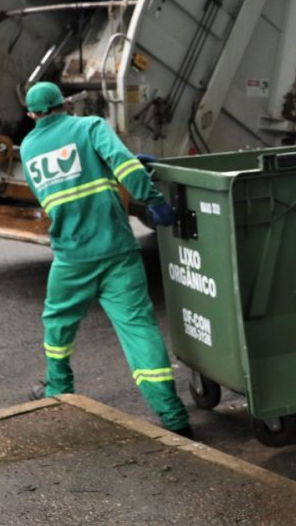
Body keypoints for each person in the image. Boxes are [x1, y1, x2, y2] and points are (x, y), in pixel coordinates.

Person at [19, 81, 192, 437]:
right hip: (117, 251)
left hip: (71, 256)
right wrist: (155, 201)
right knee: (138, 329)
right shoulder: (90, 127)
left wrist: (114, 169)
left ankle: (58, 387)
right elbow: (126, 168)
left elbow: (62, 191)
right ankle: (174, 417)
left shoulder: (28, 148)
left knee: (58, 323)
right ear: (66, 104)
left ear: (32, 115)